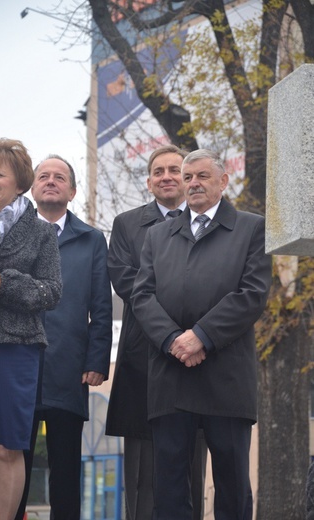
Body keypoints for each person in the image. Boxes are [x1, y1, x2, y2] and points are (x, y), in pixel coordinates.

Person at [130, 148, 273, 520]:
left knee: (232, 484)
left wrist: (202, 337)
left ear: (223, 182)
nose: (192, 183)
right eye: (188, 176)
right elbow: (141, 295)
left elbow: (252, 294)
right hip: (170, 374)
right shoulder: (158, 236)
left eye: (202, 176)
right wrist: (173, 340)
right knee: (170, 487)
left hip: (225, 377)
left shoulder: (252, 228)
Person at [106, 144, 207, 520]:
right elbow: (127, 282)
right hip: (143, 357)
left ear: (185, 178)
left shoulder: (206, 222)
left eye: (174, 170)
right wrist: (172, 328)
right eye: (158, 171)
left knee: (192, 464)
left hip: (197, 352)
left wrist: (193, 334)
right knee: (142, 474)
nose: (166, 176)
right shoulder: (127, 224)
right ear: (149, 182)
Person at [0, 138, 62, 520]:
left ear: (20, 182)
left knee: (8, 448)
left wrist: (2, 282)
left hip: (16, 350)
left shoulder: (41, 232)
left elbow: (52, 292)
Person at [15, 155, 113, 520]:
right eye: (44, 176)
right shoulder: (13, 235)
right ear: (32, 188)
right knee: (12, 467)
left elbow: (101, 306)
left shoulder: (91, 240)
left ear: (72, 191)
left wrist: (96, 361)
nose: (51, 181)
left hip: (69, 370)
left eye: (59, 177)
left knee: (66, 471)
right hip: (17, 365)